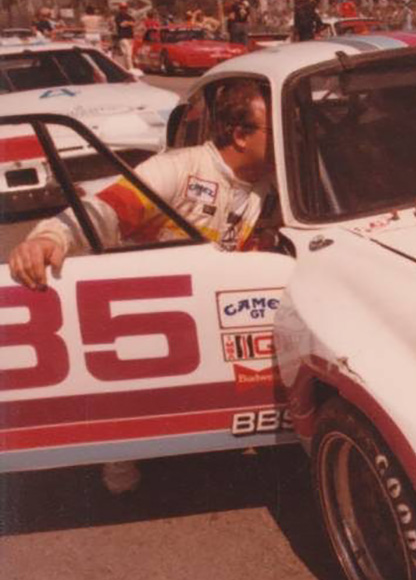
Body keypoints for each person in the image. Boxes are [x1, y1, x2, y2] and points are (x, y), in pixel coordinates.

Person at [7, 79, 278, 496]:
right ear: (241, 135)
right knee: (127, 467)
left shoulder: (277, 182)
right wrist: (49, 239)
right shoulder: (178, 169)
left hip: (222, 302)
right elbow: (101, 212)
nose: (287, 136)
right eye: (275, 128)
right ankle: (120, 449)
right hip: (154, 306)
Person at [113, 2, 136, 68]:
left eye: (125, 8)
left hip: (130, 37)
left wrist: (127, 23)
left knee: (128, 54)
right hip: (122, 37)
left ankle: (126, 68)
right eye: (122, 8)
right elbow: (122, 25)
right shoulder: (118, 17)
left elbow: (134, 23)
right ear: (120, 9)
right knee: (127, 53)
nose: (124, 9)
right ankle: (130, 68)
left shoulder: (129, 16)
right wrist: (129, 23)